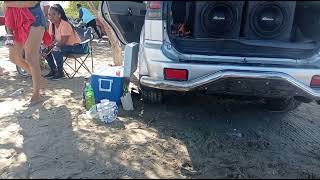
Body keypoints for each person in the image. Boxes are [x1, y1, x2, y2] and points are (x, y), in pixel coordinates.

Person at [4, 1, 46, 106]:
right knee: (14, 57)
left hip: (34, 19)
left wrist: (8, 4)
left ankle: (36, 95)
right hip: (17, 21)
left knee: (31, 58)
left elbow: (32, 3)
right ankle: (39, 80)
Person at [44, 4, 87, 80]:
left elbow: (63, 41)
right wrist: (47, 49)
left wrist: (52, 47)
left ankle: (60, 73)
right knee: (45, 51)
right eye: (49, 15)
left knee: (55, 49)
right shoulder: (52, 25)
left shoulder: (65, 24)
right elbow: (52, 40)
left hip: (76, 47)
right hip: (64, 47)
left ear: (59, 14)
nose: (51, 17)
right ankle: (53, 70)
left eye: (53, 14)